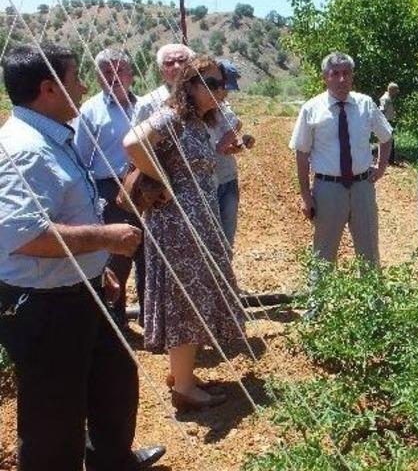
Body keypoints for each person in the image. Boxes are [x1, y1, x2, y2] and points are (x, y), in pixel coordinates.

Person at [0, 44, 164, 471]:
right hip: (45, 304)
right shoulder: (25, 149)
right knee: (54, 416)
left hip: (82, 288)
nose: (85, 87)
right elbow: (21, 235)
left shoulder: (52, 134)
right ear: (49, 88)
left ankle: (112, 461)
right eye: (77, 77)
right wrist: (105, 237)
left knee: (113, 380)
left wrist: (98, 269)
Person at [123, 55, 244, 411]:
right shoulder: (173, 115)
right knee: (185, 300)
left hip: (194, 221)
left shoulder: (196, 121)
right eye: (211, 82)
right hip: (179, 225)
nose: (220, 89)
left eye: (221, 83)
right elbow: (132, 143)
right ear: (189, 85)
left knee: (190, 297)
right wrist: (161, 177)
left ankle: (183, 375)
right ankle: (185, 390)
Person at [290, 51, 393, 265]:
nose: (342, 79)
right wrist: (306, 196)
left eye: (346, 73)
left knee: (369, 251)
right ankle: (317, 298)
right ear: (325, 77)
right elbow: (301, 153)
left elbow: (386, 136)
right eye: (335, 73)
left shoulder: (365, 104)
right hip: (328, 189)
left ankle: (373, 298)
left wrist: (381, 167)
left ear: (352, 76)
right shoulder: (311, 109)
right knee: (323, 253)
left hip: (363, 187)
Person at [74, 48, 145, 329]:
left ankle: (150, 318)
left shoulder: (144, 106)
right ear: (98, 76)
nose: (114, 75)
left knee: (150, 255)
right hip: (110, 189)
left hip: (148, 188)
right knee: (117, 255)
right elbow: (81, 158)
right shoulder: (89, 110)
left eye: (121, 69)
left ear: (132, 74)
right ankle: (115, 321)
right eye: (106, 70)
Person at [208, 60, 255, 252]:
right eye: (222, 88)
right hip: (207, 183)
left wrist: (238, 144)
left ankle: (223, 278)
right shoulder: (195, 111)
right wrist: (226, 142)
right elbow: (219, 145)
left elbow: (227, 144)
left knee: (226, 239)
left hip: (227, 178)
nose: (225, 93)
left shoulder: (224, 108)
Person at [134, 43, 195, 125]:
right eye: (169, 63)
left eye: (182, 60)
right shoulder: (147, 105)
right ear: (161, 71)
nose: (177, 66)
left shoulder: (210, 92)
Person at [379, 82, 399, 164]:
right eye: (395, 90)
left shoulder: (388, 98)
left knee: (389, 140)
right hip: (386, 122)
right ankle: (388, 160)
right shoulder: (385, 99)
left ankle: (389, 160)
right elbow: (382, 110)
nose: (396, 93)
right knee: (387, 140)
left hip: (388, 121)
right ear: (392, 90)